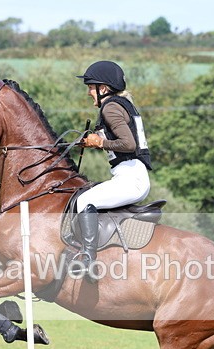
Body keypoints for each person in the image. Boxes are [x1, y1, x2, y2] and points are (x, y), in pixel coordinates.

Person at [73, 60, 152, 278]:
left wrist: (99, 143)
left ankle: (88, 260)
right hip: (130, 174)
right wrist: (92, 141)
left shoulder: (111, 107)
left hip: (130, 177)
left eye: (91, 87)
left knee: (83, 201)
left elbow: (128, 145)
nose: (89, 92)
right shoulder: (118, 104)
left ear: (103, 88)